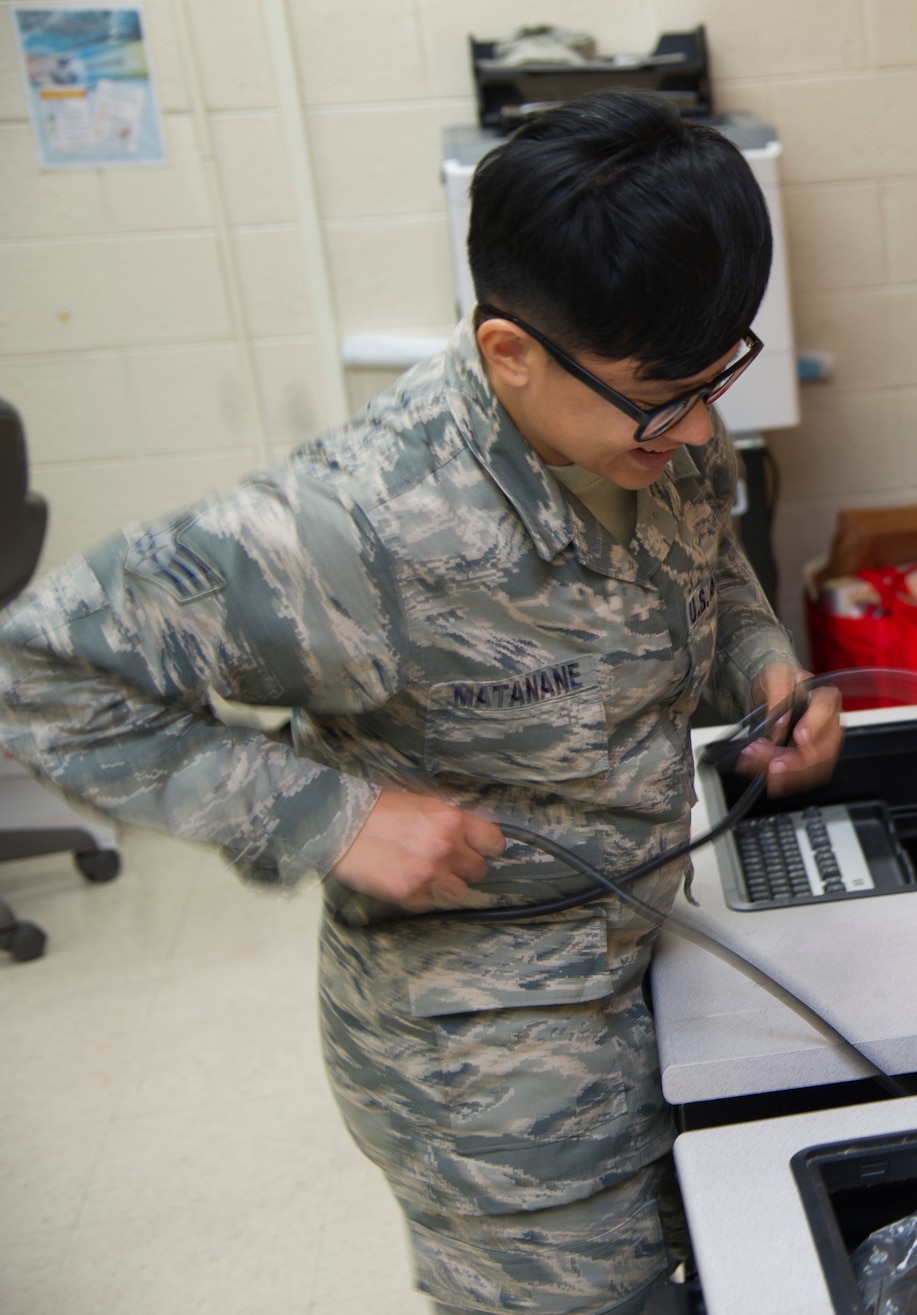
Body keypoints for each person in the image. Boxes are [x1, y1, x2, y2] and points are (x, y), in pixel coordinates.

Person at [0, 89, 840, 1315]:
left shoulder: (656, 415)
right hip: (491, 1064)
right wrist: (327, 817)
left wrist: (763, 666)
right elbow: (35, 667)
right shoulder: (350, 530)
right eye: (669, 393)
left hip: (651, 955)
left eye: (720, 378)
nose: (704, 424)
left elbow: (706, 565)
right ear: (510, 351)